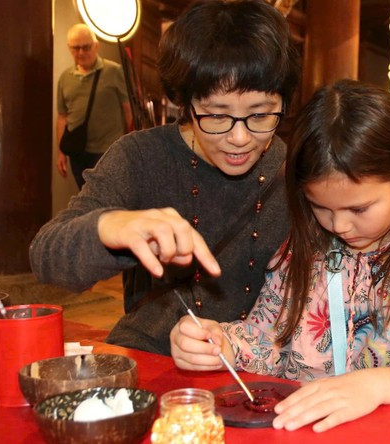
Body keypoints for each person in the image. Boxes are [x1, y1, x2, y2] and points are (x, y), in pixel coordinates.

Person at [171, 79, 390, 433]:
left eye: (359, 208)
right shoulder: (308, 244)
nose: (340, 225)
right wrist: (226, 346)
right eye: (320, 206)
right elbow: (268, 338)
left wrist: (382, 385)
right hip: (311, 431)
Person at [30, 0, 300, 355]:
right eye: (217, 115)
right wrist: (110, 226)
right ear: (187, 104)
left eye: (261, 114)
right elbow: (46, 258)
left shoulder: (293, 167)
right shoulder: (140, 157)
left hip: (258, 365)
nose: (239, 137)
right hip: (153, 353)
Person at [57, 24, 132, 189]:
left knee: (104, 196)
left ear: (96, 46)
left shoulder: (114, 71)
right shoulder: (65, 78)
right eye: (76, 48)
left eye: (86, 47)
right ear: (69, 49)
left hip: (107, 150)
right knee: (84, 196)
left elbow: (128, 110)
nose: (81, 53)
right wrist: (61, 152)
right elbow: (63, 116)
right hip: (77, 150)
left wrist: (130, 146)